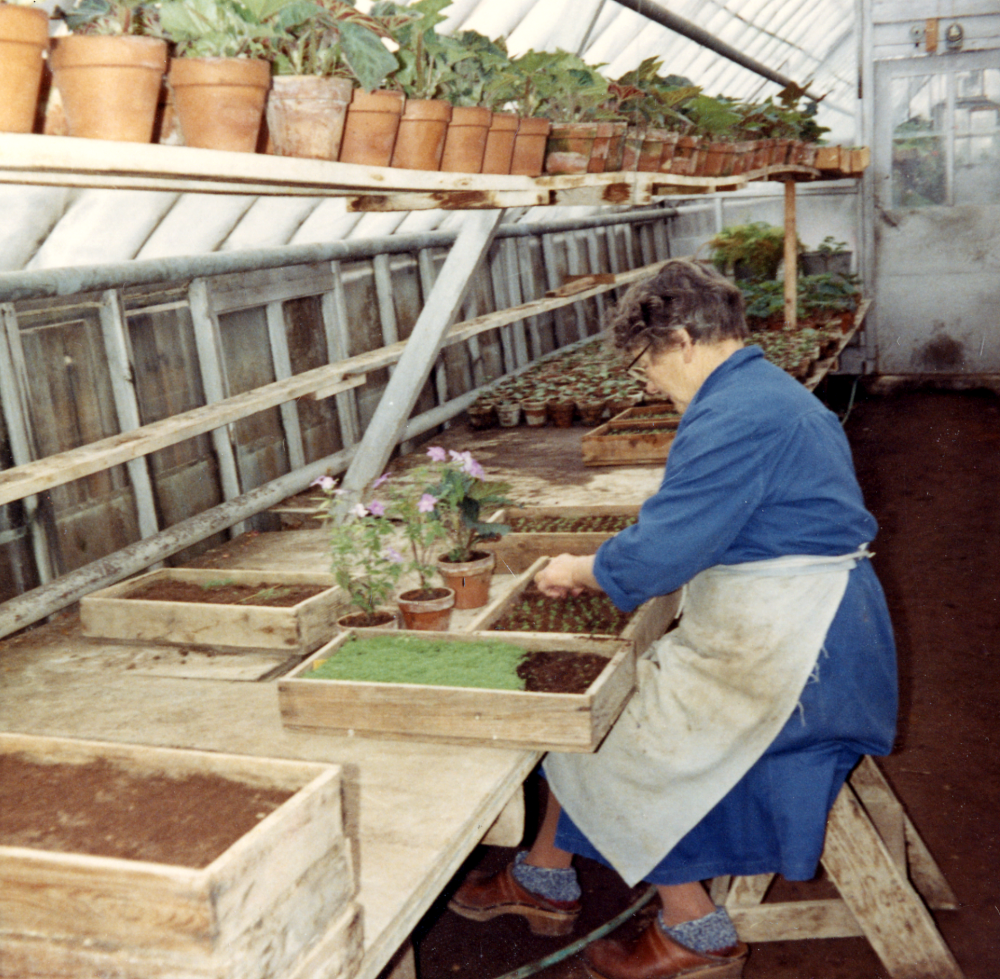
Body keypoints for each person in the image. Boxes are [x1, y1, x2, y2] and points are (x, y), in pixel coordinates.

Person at [448, 259, 897, 979]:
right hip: (798, 626)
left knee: (607, 725)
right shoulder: (756, 392)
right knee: (600, 705)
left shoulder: (738, 413)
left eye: (644, 366)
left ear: (682, 340)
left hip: (801, 658)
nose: (647, 384)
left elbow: (660, 555)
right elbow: (700, 518)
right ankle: (544, 875)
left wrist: (580, 568)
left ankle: (694, 927)